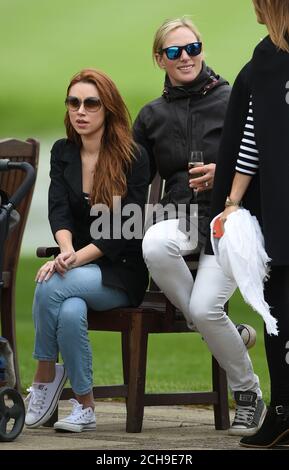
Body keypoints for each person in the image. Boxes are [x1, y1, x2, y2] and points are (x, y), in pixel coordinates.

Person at [133, 16, 264, 436]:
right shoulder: (151, 115)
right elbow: (136, 181)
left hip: (231, 221)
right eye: (174, 51)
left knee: (208, 308)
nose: (185, 57)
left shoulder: (233, 98)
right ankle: (219, 331)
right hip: (181, 221)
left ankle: (247, 392)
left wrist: (222, 176)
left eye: (192, 48)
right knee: (153, 243)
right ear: (160, 59)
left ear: (201, 49)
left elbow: (262, 162)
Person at [25, 68, 150, 433]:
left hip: (121, 270)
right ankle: (85, 406)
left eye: (90, 103)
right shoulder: (63, 152)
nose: (80, 110)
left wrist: (73, 259)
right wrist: (65, 250)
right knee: (68, 310)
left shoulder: (133, 157)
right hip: (77, 268)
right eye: (73, 102)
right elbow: (58, 209)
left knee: (49, 286)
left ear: (107, 109)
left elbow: (126, 228)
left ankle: (44, 378)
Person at [207, 0, 289, 448]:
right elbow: (256, 137)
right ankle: (283, 412)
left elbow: (252, 140)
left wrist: (233, 200)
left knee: (280, 314)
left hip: (282, 213)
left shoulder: (268, 62)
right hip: (281, 213)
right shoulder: (265, 62)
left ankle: (283, 412)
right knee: (279, 314)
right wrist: (234, 202)